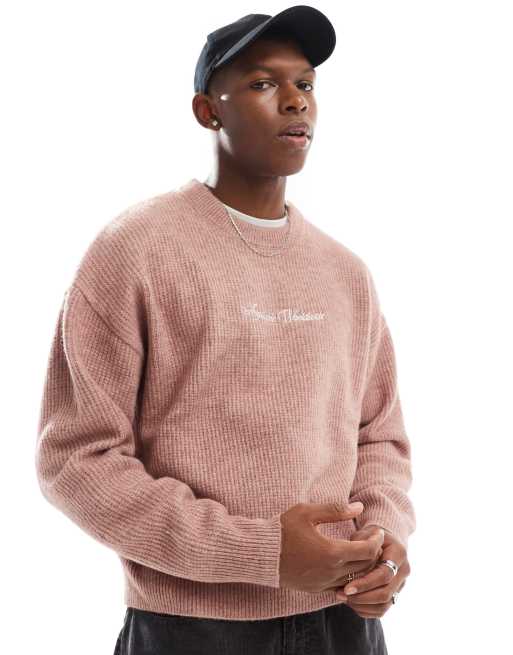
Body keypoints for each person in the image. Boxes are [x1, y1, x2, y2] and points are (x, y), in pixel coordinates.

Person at [35, 6, 415, 654]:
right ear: (207, 110)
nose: (295, 100)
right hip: (193, 628)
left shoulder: (345, 272)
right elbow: (76, 460)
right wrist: (259, 551)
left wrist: (383, 541)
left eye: (305, 83)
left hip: (345, 623)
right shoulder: (136, 251)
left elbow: (378, 436)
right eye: (263, 83)